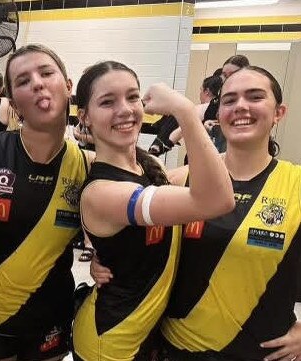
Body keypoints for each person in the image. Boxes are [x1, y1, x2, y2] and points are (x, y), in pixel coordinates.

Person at [94, 66, 301, 361]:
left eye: (255, 97)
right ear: (219, 113)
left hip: (258, 352)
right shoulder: (180, 180)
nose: (240, 106)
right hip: (177, 349)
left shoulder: (295, 185)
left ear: (279, 112)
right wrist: (102, 260)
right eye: (229, 100)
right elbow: (118, 225)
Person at [71, 61, 234, 361]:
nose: (125, 109)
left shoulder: (149, 168)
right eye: (108, 102)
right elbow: (217, 200)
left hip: (146, 337)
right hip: (110, 343)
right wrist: (185, 111)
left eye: (133, 97)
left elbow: (213, 170)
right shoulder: (102, 193)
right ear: (85, 117)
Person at [0, 44, 93, 361]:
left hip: (49, 323)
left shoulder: (88, 166)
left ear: (68, 86)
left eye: (46, 72)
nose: (38, 83)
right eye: (24, 80)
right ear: (14, 104)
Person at [210, 55, 250, 153]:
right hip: (221, 144)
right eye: (224, 75)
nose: (227, 79)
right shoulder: (222, 96)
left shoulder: (249, 98)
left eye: (233, 74)